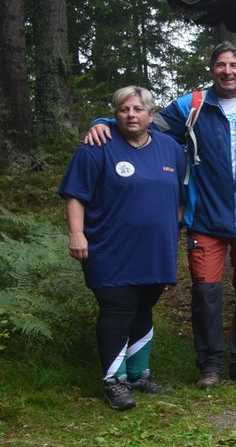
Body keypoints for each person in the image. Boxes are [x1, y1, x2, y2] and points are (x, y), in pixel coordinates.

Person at [84, 42, 236, 389]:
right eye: (221, 64)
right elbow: (145, 123)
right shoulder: (190, 106)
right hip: (205, 217)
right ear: (212, 70)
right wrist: (105, 121)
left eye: (234, 65)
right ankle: (209, 365)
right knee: (206, 296)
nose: (228, 71)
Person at [61, 86, 186, 410]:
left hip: (156, 250)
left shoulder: (171, 149)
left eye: (138, 109)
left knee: (144, 307)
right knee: (118, 308)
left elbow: (180, 198)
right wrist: (77, 233)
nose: (131, 115)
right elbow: (76, 194)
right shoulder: (96, 147)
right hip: (109, 248)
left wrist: (171, 229)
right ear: (115, 114)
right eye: (124, 110)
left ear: (151, 115)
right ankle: (113, 380)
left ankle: (138, 374)